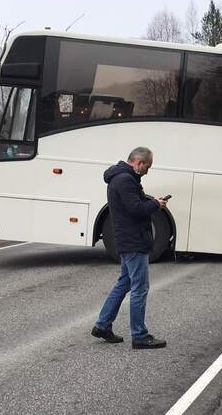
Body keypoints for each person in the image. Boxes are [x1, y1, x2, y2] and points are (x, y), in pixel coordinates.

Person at [91, 147, 169, 349]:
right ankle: (139, 335)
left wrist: (153, 201)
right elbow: (135, 210)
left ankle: (102, 325)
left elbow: (135, 203)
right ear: (138, 162)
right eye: (147, 166)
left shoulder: (122, 177)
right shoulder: (125, 180)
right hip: (133, 241)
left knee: (124, 284)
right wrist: (155, 206)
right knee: (140, 288)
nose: (147, 171)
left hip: (127, 240)